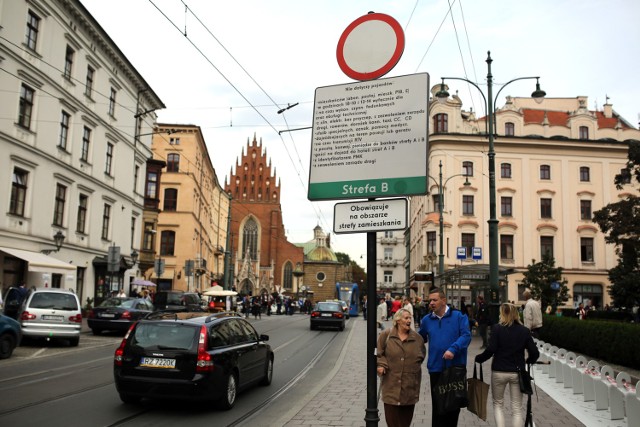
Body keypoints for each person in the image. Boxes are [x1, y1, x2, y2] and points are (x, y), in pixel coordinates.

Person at [475, 303, 540, 427]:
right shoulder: (524, 331)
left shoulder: (497, 328)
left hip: (499, 371)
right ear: (516, 314)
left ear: (502, 314)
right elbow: (534, 352)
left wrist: (480, 358)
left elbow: (491, 349)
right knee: (516, 408)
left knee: (498, 404)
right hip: (517, 372)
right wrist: (529, 361)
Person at [418, 288, 471, 427]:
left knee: (453, 406)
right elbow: (419, 338)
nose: (431, 303)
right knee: (438, 407)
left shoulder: (459, 317)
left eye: (434, 300)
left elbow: (466, 336)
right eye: (430, 300)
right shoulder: (427, 320)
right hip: (435, 368)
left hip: (455, 369)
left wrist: (453, 349)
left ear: (443, 300)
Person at [377, 308, 426, 427]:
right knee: (392, 423)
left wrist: (412, 368)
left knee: (405, 423)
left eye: (410, 318)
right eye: (406, 318)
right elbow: (379, 353)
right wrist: (381, 365)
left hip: (409, 388)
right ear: (398, 320)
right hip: (391, 387)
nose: (409, 320)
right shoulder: (386, 335)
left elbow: (421, 355)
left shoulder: (417, 338)